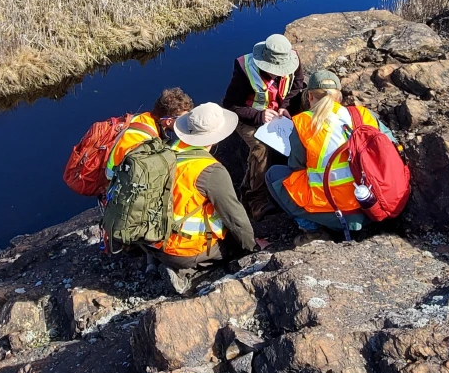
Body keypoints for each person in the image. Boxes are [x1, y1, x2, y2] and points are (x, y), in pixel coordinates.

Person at [264, 70, 398, 243]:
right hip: (376, 203)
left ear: (309, 96)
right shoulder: (363, 115)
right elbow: (392, 145)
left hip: (340, 214)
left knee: (274, 175)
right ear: (339, 97)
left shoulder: (303, 123)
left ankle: (313, 232)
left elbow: (297, 166)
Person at [151, 102, 261, 294]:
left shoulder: (165, 150)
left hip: (149, 241)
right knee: (233, 245)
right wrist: (252, 247)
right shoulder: (210, 171)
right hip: (179, 250)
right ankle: (188, 271)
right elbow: (235, 217)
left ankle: (153, 260)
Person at [222, 34, 306, 217]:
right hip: (249, 118)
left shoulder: (294, 59)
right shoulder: (245, 70)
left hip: (279, 115)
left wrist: (284, 107)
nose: (278, 73)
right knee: (261, 149)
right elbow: (230, 105)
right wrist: (259, 115)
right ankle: (255, 200)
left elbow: (297, 87)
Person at [104, 87, 194, 179]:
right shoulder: (145, 141)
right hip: (113, 178)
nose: (186, 123)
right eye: (183, 120)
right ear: (169, 121)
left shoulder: (143, 118)